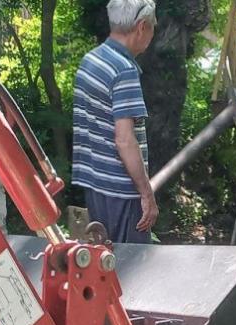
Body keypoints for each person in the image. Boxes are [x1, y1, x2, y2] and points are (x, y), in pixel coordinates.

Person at [72, 0, 158, 244]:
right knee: (133, 269)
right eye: (153, 27)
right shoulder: (124, 70)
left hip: (95, 184)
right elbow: (124, 139)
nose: (152, 36)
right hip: (122, 192)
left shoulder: (90, 60)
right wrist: (146, 194)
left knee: (102, 263)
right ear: (141, 27)